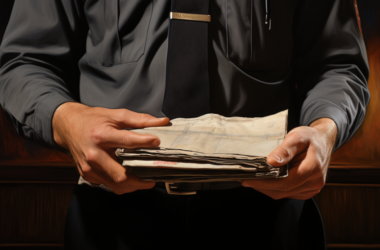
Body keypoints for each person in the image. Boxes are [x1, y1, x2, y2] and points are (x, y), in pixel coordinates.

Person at [0, 0, 369, 249]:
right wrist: (66, 120)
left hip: (267, 215)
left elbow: (338, 65)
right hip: (110, 218)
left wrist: (324, 132)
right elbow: (24, 62)